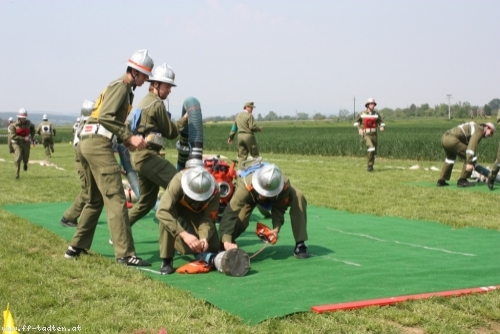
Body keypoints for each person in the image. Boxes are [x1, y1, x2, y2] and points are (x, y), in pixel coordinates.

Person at [64, 49, 154, 266]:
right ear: (135, 71)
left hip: (86, 141)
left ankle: (75, 247)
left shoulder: (118, 86)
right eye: (144, 75)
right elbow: (106, 117)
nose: (145, 80)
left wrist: (125, 140)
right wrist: (128, 137)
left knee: (94, 200)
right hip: (98, 144)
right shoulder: (122, 87)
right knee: (116, 199)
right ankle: (125, 254)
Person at [127, 63, 187, 228]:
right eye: (167, 86)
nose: (169, 91)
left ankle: (120, 230)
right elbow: (171, 131)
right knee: (180, 185)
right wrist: (186, 119)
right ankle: (183, 230)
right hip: (147, 157)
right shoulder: (156, 104)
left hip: (139, 158)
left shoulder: (145, 101)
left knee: (147, 202)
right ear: (156, 84)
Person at [218, 163, 309, 259]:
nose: (263, 196)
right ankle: (224, 243)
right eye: (261, 191)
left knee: (299, 196)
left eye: (267, 193)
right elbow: (231, 210)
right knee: (241, 220)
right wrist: (226, 239)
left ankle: (300, 243)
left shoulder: (284, 186)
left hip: (276, 198)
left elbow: (279, 208)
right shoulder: (246, 184)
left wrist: (276, 228)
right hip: (251, 197)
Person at [155, 166, 220, 274]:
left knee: (213, 246)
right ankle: (167, 258)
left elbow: (208, 218)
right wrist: (184, 235)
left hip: (197, 211)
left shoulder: (214, 190)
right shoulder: (178, 181)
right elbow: (162, 211)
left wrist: (204, 238)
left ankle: (186, 246)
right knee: (166, 220)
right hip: (175, 207)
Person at [60, 100, 94, 228]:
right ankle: (68, 217)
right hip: (83, 161)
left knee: (91, 191)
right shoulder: (84, 126)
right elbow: (78, 146)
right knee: (87, 191)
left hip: (86, 160)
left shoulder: (84, 124)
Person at [437, 122, 495, 187]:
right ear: (487, 127)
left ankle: (441, 180)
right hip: (452, 140)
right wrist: (470, 162)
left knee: (450, 158)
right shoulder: (480, 130)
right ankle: (462, 180)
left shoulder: (475, 127)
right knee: (471, 156)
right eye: (491, 132)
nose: (491, 135)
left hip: (444, 138)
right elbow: (470, 148)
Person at [354, 98, 385, 172]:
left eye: (373, 104)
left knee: (374, 151)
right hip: (366, 134)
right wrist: (359, 129)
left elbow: (381, 122)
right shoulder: (362, 114)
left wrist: (382, 126)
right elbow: (356, 122)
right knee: (371, 147)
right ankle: (369, 165)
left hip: (374, 134)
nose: (373, 105)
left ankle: (371, 165)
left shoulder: (376, 114)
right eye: (371, 104)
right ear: (367, 105)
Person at [227, 102, 263, 166]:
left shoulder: (238, 116)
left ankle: (241, 171)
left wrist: (231, 137)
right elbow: (252, 127)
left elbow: (234, 128)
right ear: (246, 107)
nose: (252, 109)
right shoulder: (249, 116)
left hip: (240, 136)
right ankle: (256, 170)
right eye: (251, 107)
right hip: (248, 136)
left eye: (252, 108)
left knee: (242, 156)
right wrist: (258, 129)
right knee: (255, 154)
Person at [9, 108, 35, 179]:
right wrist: (23, 138)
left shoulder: (29, 123)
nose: (24, 119)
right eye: (22, 118)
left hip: (26, 143)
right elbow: (13, 136)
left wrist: (31, 136)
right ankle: (17, 175)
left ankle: (25, 163)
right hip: (16, 143)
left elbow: (33, 128)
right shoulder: (13, 125)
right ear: (19, 117)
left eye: (25, 118)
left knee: (26, 157)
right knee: (18, 157)